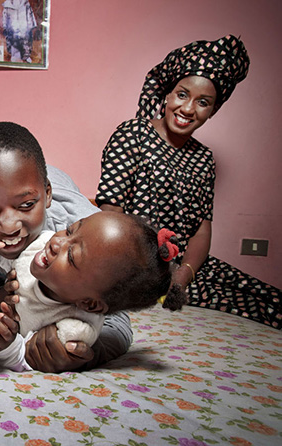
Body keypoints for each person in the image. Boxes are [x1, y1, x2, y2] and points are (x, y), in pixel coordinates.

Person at [96, 35, 281, 329]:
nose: (188, 109)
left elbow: (201, 229)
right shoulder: (132, 134)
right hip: (133, 266)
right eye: (182, 94)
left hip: (187, 269)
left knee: (268, 301)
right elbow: (110, 216)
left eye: (203, 102)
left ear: (212, 110)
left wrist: (183, 275)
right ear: (168, 95)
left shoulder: (204, 158)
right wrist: (148, 273)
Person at [0, 121, 133, 373]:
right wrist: (4, 299)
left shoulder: (81, 231)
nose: (9, 226)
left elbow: (117, 317)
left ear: (47, 194)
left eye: (26, 205)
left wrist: (86, 353)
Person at [0, 211, 185, 372]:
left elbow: (27, 357)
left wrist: (5, 345)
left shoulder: (73, 328)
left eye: (71, 256)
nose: (57, 242)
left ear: (89, 304)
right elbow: (7, 260)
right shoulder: (41, 241)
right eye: (70, 229)